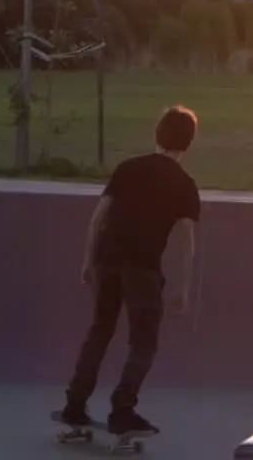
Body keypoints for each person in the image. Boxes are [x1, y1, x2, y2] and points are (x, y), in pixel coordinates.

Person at [57, 105, 202, 435]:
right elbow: (186, 241)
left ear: (157, 134)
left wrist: (88, 260)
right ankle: (123, 409)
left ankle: (74, 405)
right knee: (143, 342)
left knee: (100, 330)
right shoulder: (184, 184)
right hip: (142, 268)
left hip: (107, 261)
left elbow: (99, 216)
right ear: (188, 143)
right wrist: (183, 287)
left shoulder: (128, 169)